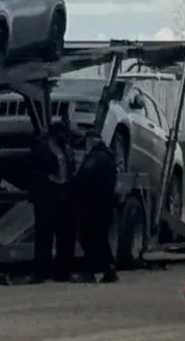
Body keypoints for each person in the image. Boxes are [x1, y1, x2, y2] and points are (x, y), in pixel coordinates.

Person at [27, 119, 75, 283]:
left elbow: (71, 169)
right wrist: (48, 178)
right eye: (61, 134)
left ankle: (62, 272)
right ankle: (41, 271)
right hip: (46, 196)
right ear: (54, 135)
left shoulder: (66, 150)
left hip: (64, 195)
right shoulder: (41, 149)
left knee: (65, 235)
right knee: (44, 236)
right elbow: (30, 171)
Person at [70, 128, 121, 283]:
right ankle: (109, 270)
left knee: (87, 238)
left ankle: (89, 272)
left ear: (91, 140)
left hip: (93, 204)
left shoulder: (95, 157)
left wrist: (73, 190)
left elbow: (83, 178)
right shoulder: (108, 156)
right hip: (106, 204)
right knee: (100, 239)